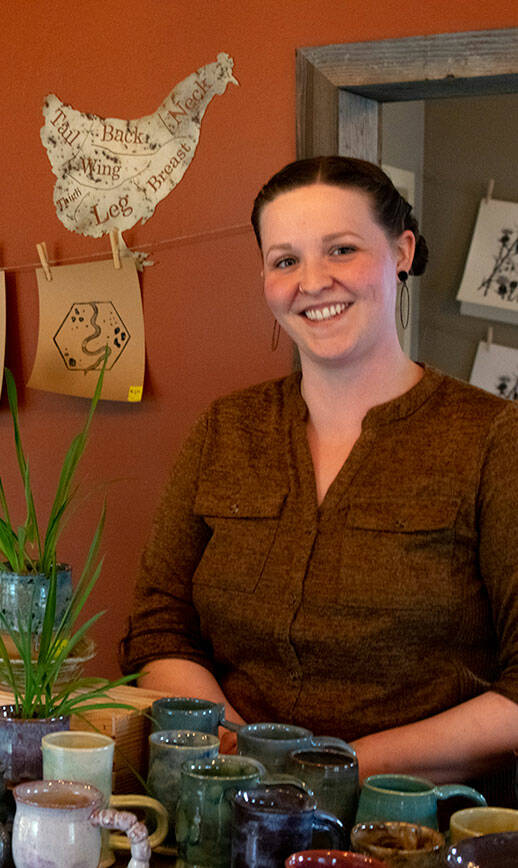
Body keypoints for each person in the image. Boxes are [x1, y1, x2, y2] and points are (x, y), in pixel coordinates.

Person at [120, 156, 518, 794]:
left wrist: (344, 768)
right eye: (285, 261)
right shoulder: (227, 429)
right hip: (230, 811)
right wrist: (239, 751)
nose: (313, 281)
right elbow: (159, 624)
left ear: (402, 252)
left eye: (341, 249)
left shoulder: (495, 438)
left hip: (423, 830)